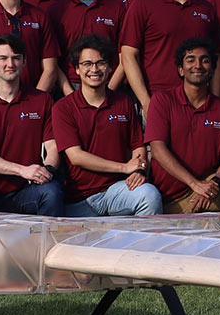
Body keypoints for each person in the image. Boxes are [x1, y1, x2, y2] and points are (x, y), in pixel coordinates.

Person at [145, 38, 220, 213]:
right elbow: (157, 149)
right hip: (171, 198)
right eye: (191, 60)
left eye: (205, 60)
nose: (198, 65)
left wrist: (213, 184)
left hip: (208, 189)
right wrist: (195, 184)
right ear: (180, 69)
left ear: (213, 70)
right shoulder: (162, 100)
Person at [53, 36, 162, 217]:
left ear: (110, 68)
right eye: (87, 64)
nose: (94, 69)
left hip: (118, 191)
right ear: (77, 69)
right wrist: (124, 167)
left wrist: (138, 169)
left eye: (101, 63)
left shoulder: (123, 102)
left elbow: (137, 146)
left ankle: (140, 245)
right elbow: (76, 156)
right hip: (80, 200)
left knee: (149, 195)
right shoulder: (63, 108)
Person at [0, 34, 64, 216]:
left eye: (16, 58)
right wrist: (22, 170)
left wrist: (46, 170)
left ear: (24, 62)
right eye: (3, 58)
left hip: (26, 191)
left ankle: (48, 244)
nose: (10, 64)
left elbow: (53, 146)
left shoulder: (42, 100)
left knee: (51, 191)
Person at [120, 0, 219, 107]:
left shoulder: (206, 9)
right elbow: (129, 56)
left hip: (198, 101)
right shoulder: (142, 6)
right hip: (156, 99)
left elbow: (215, 58)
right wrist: (145, 101)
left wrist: (215, 102)